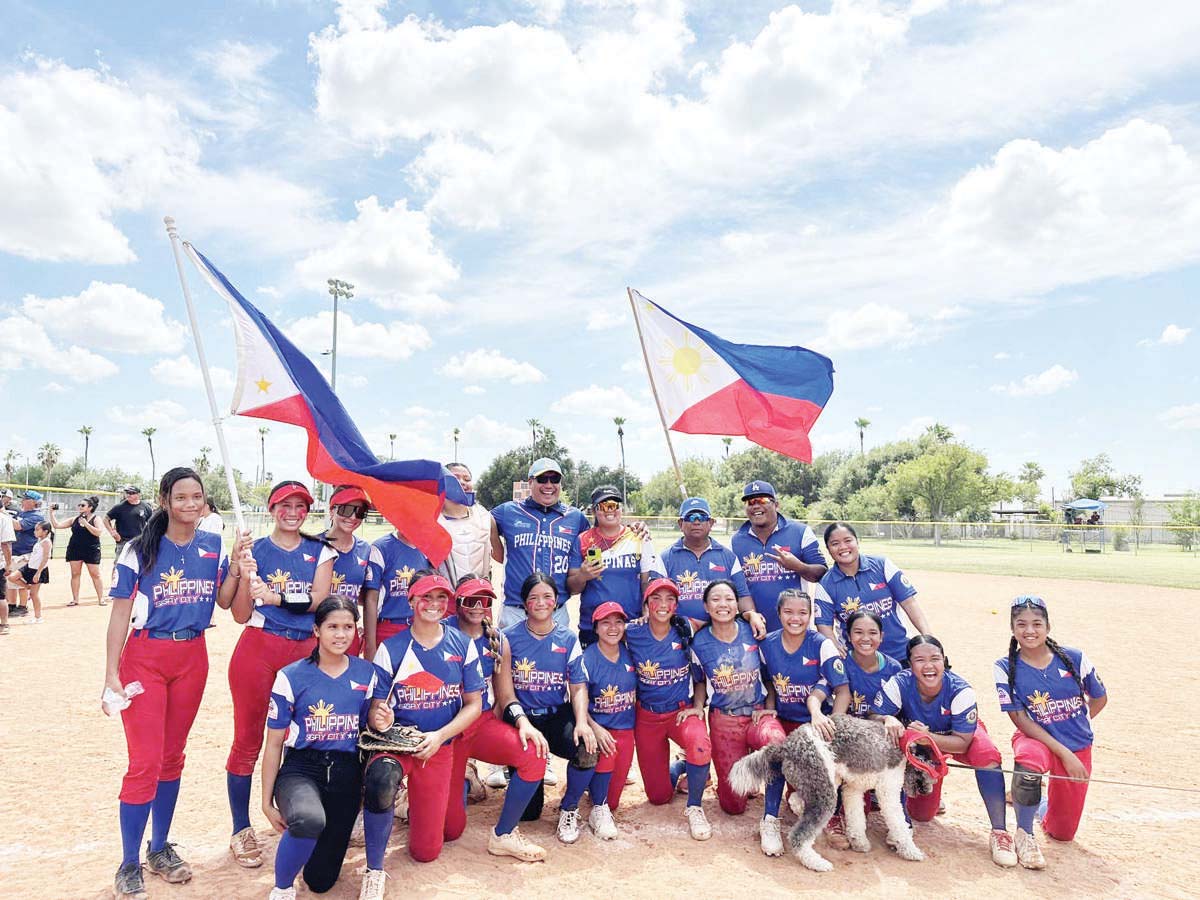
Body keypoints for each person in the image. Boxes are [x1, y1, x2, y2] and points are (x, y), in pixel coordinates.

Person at [103, 467, 242, 900]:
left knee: (171, 758)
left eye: (196, 497)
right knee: (145, 761)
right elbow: (120, 614)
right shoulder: (137, 549)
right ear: (164, 501)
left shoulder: (212, 543)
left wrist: (237, 566)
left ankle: (158, 848)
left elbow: (223, 601)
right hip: (145, 658)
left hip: (192, 657)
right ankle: (128, 863)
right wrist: (111, 673)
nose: (189, 505)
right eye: (180, 497)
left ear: (204, 502)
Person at [226, 480, 336, 869]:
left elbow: (319, 603)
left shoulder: (320, 552)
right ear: (272, 509)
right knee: (248, 740)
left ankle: (304, 821)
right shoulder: (252, 550)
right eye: (284, 505)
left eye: (300, 506)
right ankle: (241, 829)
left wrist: (277, 597)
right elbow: (239, 614)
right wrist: (243, 574)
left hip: (303, 652)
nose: (293, 512)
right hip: (259, 647)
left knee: (305, 740)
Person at [361, 572, 482, 896]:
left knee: (430, 849)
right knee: (381, 781)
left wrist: (440, 736)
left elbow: (474, 705)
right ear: (412, 601)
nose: (433, 604)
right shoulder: (392, 647)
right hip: (398, 744)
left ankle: (407, 805)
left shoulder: (463, 645)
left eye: (441, 597)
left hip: (438, 746)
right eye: (426, 597)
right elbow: (376, 710)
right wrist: (381, 718)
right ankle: (374, 870)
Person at [262, 596, 378, 900]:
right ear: (316, 631)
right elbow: (274, 743)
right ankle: (282, 887)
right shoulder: (291, 676)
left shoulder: (366, 674)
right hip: (302, 768)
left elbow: (368, 728)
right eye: (332, 627)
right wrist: (265, 802)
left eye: (348, 627)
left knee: (320, 880)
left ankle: (303, 840)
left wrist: (383, 717)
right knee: (309, 819)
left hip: (345, 773)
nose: (341, 635)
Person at [872, 634, 1017, 868]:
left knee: (986, 753)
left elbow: (962, 742)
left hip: (954, 736)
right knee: (923, 814)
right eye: (920, 660)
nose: (928, 666)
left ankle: (1000, 832)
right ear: (910, 665)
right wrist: (887, 717)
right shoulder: (899, 683)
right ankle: (907, 818)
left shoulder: (960, 690)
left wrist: (929, 737)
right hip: (921, 745)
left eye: (935, 659)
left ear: (944, 661)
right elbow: (873, 716)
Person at [995, 595, 1107, 869]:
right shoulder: (1004, 667)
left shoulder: (1074, 658)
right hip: (1035, 738)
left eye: (1037, 623)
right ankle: (1024, 834)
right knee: (1029, 763)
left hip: (1077, 744)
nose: (1029, 630)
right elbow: (1020, 719)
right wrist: (1062, 749)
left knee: (1062, 833)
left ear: (1048, 626)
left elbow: (1100, 697)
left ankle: (1036, 801)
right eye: (1021, 624)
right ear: (1012, 628)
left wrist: (1074, 728)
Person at [442, 576, 550, 861]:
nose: (478, 607)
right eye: (470, 600)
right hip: (446, 731)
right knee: (449, 830)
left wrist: (524, 723)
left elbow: (506, 695)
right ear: (457, 602)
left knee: (534, 753)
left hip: (480, 724)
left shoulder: (497, 640)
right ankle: (450, 788)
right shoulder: (440, 632)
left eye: (485, 600)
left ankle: (504, 834)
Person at [689, 579, 787, 856]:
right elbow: (699, 681)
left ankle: (770, 820)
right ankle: (689, 769)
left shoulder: (753, 633)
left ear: (738, 604)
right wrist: (699, 705)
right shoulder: (700, 642)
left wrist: (769, 705)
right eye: (716, 600)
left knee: (776, 744)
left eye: (729, 599)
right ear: (706, 607)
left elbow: (769, 676)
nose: (723, 605)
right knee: (733, 805)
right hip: (724, 720)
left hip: (757, 715)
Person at [502, 571, 598, 843]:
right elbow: (505, 693)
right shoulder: (508, 637)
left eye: (547, 596)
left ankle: (569, 807)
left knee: (587, 748)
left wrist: (581, 722)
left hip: (556, 716)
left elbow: (578, 686)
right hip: (524, 723)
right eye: (533, 598)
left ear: (556, 601)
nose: (541, 602)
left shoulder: (568, 639)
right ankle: (525, 774)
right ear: (524, 604)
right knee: (529, 814)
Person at [624, 578, 713, 839]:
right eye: (656, 599)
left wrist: (698, 706)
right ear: (646, 604)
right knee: (659, 797)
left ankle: (695, 807)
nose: (663, 605)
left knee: (699, 743)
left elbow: (720, 623)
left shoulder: (686, 626)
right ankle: (681, 767)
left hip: (680, 712)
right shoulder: (633, 631)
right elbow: (606, 634)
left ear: (676, 604)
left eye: (669, 599)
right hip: (647, 716)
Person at [490, 458, 590, 630]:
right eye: (542, 479)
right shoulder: (508, 511)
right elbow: (477, 521)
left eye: (555, 479)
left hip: (556, 611)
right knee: (510, 657)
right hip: (516, 611)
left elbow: (601, 537)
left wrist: (633, 530)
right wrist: (498, 550)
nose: (549, 485)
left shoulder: (576, 517)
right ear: (530, 482)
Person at [813, 522, 930, 661]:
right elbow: (824, 624)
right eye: (835, 543)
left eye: (848, 540)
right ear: (828, 549)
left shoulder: (882, 565)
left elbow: (909, 603)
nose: (843, 547)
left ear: (857, 541)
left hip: (900, 654)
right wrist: (834, 645)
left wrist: (927, 636)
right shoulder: (826, 584)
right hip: (859, 663)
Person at [566, 484, 661, 646]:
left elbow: (647, 581)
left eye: (614, 505)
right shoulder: (583, 540)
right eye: (604, 505)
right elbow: (572, 588)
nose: (610, 510)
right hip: (593, 626)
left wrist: (647, 610)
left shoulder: (638, 536)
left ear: (621, 509)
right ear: (595, 510)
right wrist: (583, 575)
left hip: (631, 623)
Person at [730, 481, 826, 633]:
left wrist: (797, 566)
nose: (756, 506)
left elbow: (821, 573)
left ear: (776, 505)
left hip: (794, 628)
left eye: (762, 500)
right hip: (755, 628)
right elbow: (739, 589)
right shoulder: (736, 541)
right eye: (750, 502)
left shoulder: (800, 532)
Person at [579, 601, 638, 837]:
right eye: (606, 623)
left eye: (618, 622)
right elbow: (577, 702)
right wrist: (595, 728)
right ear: (595, 628)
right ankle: (588, 791)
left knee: (612, 801)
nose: (613, 628)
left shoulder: (631, 653)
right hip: (599, 731)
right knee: (601, 801)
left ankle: (592, 787)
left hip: (626, 731)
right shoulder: (587, 658)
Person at [659, 496, 751, 625]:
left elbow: (742, 595)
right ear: (680, 524)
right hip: (679, 632)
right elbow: (657, 600)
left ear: (711, 523)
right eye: (690, 517)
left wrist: (751, 615)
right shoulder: (665, 558)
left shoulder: (728, 557)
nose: (696, 522)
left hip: (719, 632)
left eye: (702, 517)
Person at [323, 486, 384, 657]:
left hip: (347, 637)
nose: (352, 517)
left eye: (360, 512)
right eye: (346, 509)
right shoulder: (312, 546)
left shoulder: (366, 550)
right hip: (315, 634)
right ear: (332, 510)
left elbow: (367, 598)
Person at [367, 527, 430, 661]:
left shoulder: (426, 548)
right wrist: (370, 646)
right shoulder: (381, 547)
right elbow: (371, 599)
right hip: (388, 627)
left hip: (418, 627)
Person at [436, 463, 498, 583]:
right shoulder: (432, 520)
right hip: (444, 597)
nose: (462, 482)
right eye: (455, 478)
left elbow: (499, 554)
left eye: (467, 479)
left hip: (479, 595)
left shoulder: (484, 517)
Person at [50, 494, 104, 607]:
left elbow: (98, 532)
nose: (80, 507)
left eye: (83, 505)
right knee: (75, 574)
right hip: (75, 548)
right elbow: (57, 525)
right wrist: (51, 513)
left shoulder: (96, 518)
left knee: (95, 574)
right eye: (79, 505)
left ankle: (101, 598)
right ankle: (75, 599)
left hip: (91, 549)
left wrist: (86, 524)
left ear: (90, 507)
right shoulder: (75, 518)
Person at [7, 489, 46, 618]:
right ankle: (12, 605)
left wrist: (3, 514)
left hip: (25, 553)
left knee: (20, 579)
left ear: (33, 502)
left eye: (25, 499)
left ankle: (23, 606)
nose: (22, 501)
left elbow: (18, 526)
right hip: (14, 551)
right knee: (10, 581)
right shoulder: (22, 513)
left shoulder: (37, 516)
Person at [7, 520, 52, 623]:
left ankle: (38, 617)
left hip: (37, 569)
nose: (34, 532)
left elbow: (45, 558)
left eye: (37, 530)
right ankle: (28, 587)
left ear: (45, 531)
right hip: (29, 567)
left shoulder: (46, 542)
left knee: (34, 595)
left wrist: (38, 573)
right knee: (12, 577)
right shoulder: (39, 540)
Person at [106, 485, 153, 561]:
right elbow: (106, 519)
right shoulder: (119, 507)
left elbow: (151, 523)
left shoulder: (146, 507)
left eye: (131, 493)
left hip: (140, 541)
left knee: (140, 564)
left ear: (138, 495)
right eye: (127, 493)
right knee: (119, 566)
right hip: (123, 541)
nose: (128, 495)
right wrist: (112, 532)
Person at [0, 497, 12, 634]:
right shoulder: (4, 519)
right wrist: (9, 564)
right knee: (1, 596)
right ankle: (4, 624)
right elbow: (6, 544)